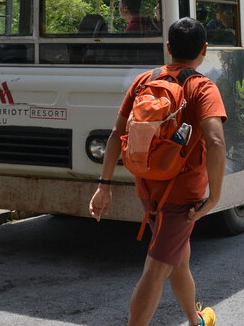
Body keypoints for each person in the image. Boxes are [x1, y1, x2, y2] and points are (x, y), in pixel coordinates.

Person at [89, 17, 225, 326]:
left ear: (168, 48)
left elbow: (115, 135)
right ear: (204, 50)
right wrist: (214, 197)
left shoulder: (144, 80)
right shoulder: (201, 87)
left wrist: (104, 184)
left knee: (179, 260)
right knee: (156, 269)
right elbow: (215, 140)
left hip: (148, 187)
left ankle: (195, 319)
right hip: (181, 197)